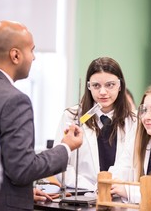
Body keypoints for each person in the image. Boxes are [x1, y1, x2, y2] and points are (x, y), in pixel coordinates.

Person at [0, 20, 83, 210]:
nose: (34, 57)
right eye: (32, 50)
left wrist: (19, 192)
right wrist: (65, 147)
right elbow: (22, 170)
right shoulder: (15, 101)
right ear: (15, 55)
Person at [54, 57, 137, 191]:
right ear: (89, 86)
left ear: (120, 85)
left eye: (110, 85)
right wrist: (92, 187)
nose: (103, 92)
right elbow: (59, 163)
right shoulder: (72, 117)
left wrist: (111, 186)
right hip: (82, 194)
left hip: (119, 196)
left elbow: (134, 166)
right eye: (96, 85)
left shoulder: (133, 121)